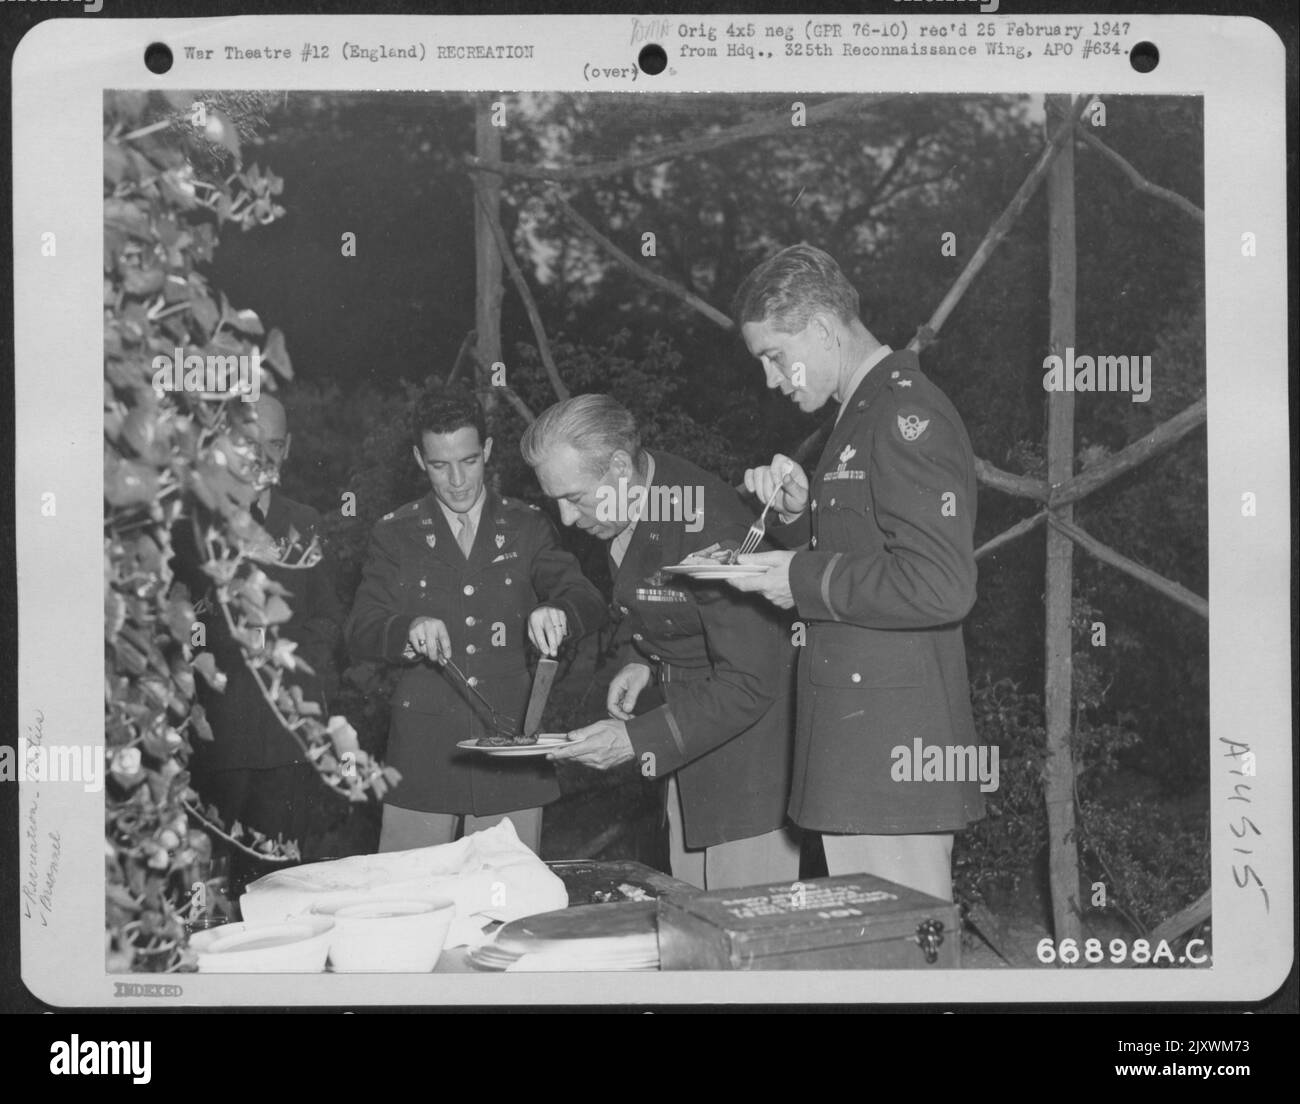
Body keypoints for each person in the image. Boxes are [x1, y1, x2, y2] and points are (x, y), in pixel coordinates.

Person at [725, 243, 985, 902]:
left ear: (819, 330)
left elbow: (940, 585)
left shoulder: (901, 414)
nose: (771, 381)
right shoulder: (861, 409)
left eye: (774, 357)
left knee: (901, 967)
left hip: (892, 765)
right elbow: (866, 546)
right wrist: (796, 517)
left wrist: (800, 577)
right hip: (861, 756)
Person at [522, 394, 800, 891]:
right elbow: (665, 605)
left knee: (741, 938)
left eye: (575, 497)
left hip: (748, 766)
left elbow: (753, 680)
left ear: (620, 465)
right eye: (554, 501)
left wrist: (633, 740)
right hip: (690, 743)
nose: (565, 519)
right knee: (689, 917)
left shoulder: (710, 525)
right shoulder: (635, 500)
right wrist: (641, 658)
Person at [346, 391, 606, 854]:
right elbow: (361, 628)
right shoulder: (395, 533)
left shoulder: (526, 525)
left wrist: (559, 612)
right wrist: (405, 630)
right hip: (423, 760)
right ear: (418, 460)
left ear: (486, 451)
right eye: (440, 465)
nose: (458, 480)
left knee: (507, 905)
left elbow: (586, 597)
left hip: (510, 757)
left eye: (468, 460)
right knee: (411, 906)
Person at [181, 394, 347, 889]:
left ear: (289, 448)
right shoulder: (192, 524)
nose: (263, 457)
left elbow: (326, 615)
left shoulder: (306, 522)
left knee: (278, 888)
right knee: (206, 889)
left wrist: (307, 676)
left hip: (285, 743)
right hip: (214, 738)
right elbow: (181, 620)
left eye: (274, 444)